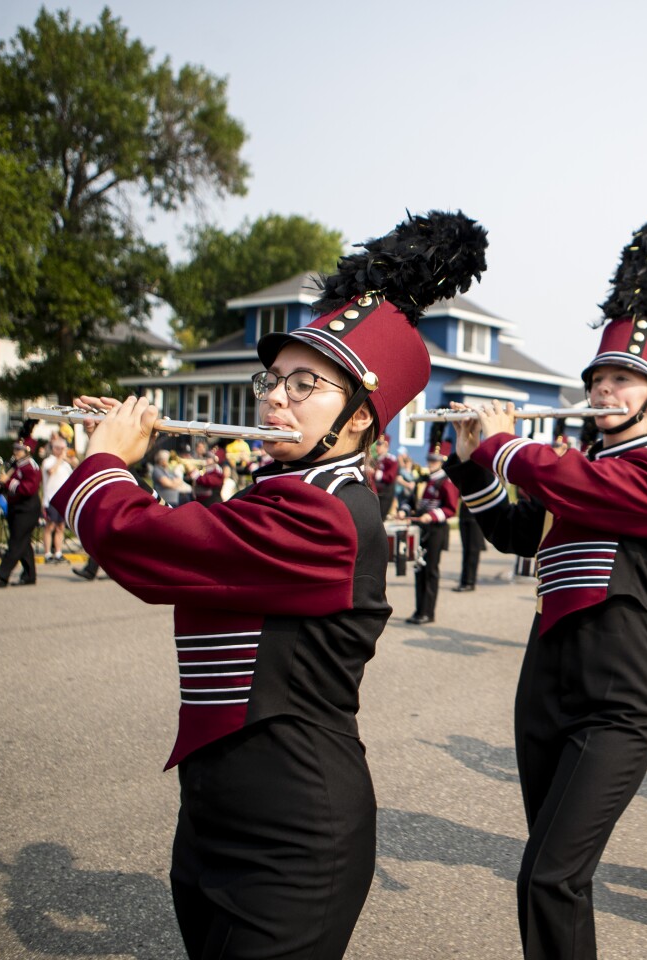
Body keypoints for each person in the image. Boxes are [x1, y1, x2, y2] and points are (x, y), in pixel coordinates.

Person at [50, 209, 487, 960]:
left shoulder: (329, 514)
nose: (274, 398)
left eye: (305, 383)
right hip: (216, 814)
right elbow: (194, 542)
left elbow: (145, 548)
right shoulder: (282, 490)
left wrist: (103, 466)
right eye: (273, 380)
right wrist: (115, 448)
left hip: (295, 838)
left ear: (356, 422)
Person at [445, 219, 647, 960]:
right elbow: (520, 534)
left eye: (623, 381)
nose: (604, 390)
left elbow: (573, 481)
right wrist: (470, 466)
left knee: (546, 877)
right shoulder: (579, 471)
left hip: (617, 698)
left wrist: (506, 444)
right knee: (561, 878)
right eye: (597, 380)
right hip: (545, 685)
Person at [407, 431, 459, 624]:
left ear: (443, 460)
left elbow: (451, 508)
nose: (431, 463)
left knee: (430, 570)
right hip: (419, 528)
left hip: (435, 530)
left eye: (435, 460)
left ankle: (428, 612)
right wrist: (405, 510)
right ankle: (419, 609)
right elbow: (411, 501)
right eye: (430, 459)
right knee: (418, 568)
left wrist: (432, 515)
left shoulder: (446, 482)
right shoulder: (423, 480)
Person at [0, 437, 41, 587]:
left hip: (27, 509)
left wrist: (7, 481)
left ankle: (1, 576)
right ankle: (29, 575)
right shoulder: (17, 465)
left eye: (19, 449)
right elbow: (10, 487)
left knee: (16, 543)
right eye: (15, 448)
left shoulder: (31, 466)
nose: (15, 452)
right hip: (16, 507)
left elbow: (28, 489)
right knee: (23, 543)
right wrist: (0, 486)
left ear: (27, 451)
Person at [41, 435, 78, 563]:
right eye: (59, 448)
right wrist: (59, 459)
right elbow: (50, 471)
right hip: (50, 499)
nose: (61, 451)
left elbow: (76, 467)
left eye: (63, 448)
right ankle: (47, 554)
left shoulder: (65, 464)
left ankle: (58, 552)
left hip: (63, 500)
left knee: (60, 527)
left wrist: (69, 458)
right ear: (54, 449)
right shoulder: (48, 461)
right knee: (49, 526)